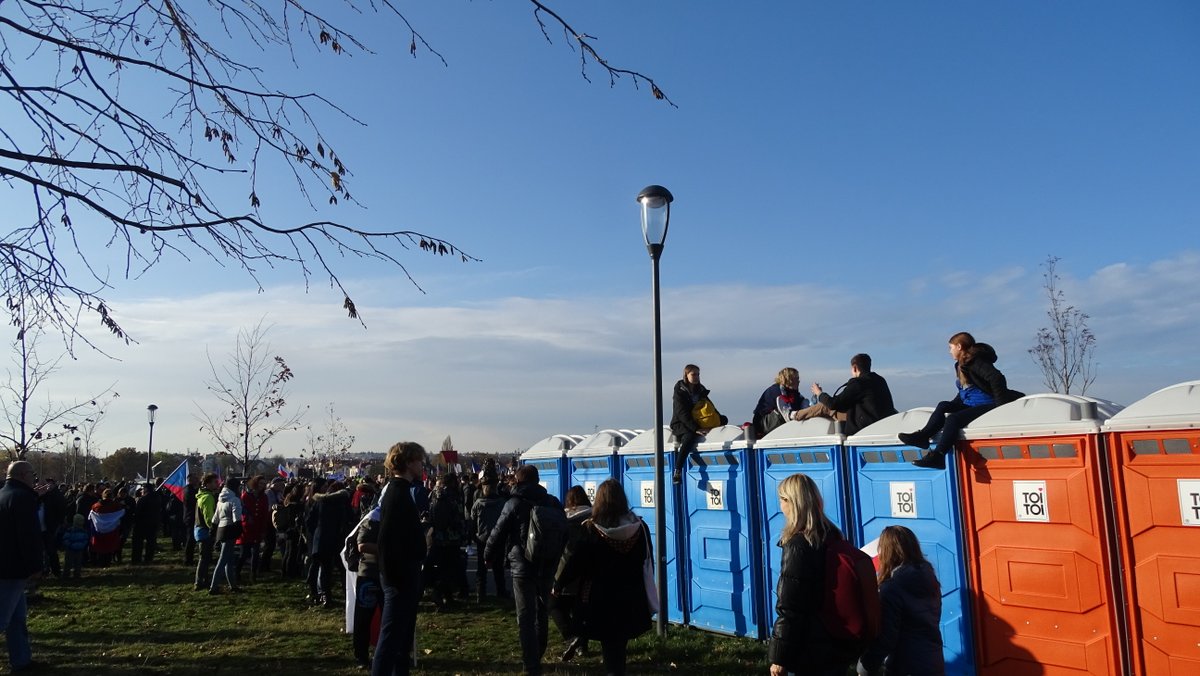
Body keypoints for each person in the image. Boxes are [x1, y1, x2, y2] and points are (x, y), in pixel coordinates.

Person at [553, 480, 651, 675]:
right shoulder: (640, 527)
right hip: (630, 594)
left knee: (609, 643)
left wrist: (559, 584)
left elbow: (575, 562)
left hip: (600, 597)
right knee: (619, 641)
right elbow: (646, 559)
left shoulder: (591, 529)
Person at [769, 473, 860, 676]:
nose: (781, 506)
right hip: (835, 636)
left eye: (782, 499)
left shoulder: (798, 545)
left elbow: (790, 606)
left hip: (809, 645)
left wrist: (779, 657)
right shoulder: (832, 534)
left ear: (792, 503)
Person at [903, 332, 1024, 470]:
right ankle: (923, 436)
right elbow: (965, 390)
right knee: (943, 405)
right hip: (970, 404)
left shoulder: (975, 361)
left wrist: (1001, 406)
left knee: (953, 419)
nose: (949, 351)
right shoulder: (960, 364)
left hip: (988, 404)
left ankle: (938, 456)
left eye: (951, 347)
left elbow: (996, 378)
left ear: (959, 347)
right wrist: (952, 404)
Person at [485, 464, 563, 676]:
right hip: (547, 563)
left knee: (525, 616)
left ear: (518, 481)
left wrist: (488, 555)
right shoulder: (552, 502)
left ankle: (531, 664)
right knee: (542, 611)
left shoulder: (514, 503)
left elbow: (498, 532)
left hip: (522, 564)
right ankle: (538, 653)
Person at [372, 441, 428, 676]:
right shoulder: (397, 493)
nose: (422, 464)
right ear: (407, 462)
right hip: (399, 577)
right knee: (390, 639)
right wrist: (394, 579)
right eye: (419, 460)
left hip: (404, 575)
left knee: (401, 640)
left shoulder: (401, 491)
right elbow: (386, 540)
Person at [858, 526, 945, 676]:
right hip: (934, 662)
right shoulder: (930, 580)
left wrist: (865, 667)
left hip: (906, 666)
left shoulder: (892, 589)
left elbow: (887, 638)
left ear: (887, 552)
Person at [0, 461, 46, 673]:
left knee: (17, 619)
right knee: (3, 619)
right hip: (13, 568)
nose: (34, 479)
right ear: (23, 475)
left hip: (6, 563)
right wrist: (36, 566)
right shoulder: (23, 498)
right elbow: (29, 537)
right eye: (32, 474)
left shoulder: (4, 494)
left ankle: (21, 661)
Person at [799, 353, 898, 436]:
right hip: (881, 423)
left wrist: (819, 393)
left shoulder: (858, 383)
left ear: (855, 368)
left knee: (824, 407)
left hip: (865, 425)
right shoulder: (880, 380)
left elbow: (833, 404)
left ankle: (795, 415)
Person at [550, 485, 593, 662]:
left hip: (565, 572)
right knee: (580, 610)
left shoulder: (563, 520)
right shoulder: (594, 519)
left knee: (555, 606)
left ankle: (572, 637)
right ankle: (582, 645)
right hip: (587, 574)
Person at [669, 364, 728, 485]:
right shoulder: (680, 391)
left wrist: (718, 419)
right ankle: (677, 471)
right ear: (686, 375)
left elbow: (710, 407)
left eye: (698, 374)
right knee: (689, 437)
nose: (696, 377)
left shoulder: (700, 390)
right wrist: (696, 429)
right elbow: (681, 413)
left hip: (699, 422)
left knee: (724, 420)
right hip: (682, 424)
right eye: (693, 374)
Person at [470, 480, 507, 601]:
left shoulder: (478, 503)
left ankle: (480, 593)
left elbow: (472, 521)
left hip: (482, 538)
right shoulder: (502, 502)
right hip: (497, 538)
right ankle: (501, 592)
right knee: (498, 568)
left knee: (481, 568)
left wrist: (474, 536)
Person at [209, 476, 244, 595]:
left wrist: (213, 531)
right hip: (230, 530)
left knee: (229, 560)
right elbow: (237, 518)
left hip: (220, 529)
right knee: (223, 559)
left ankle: (233, 585)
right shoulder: (234, 499)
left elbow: (215, 518)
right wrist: (239, 529)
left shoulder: (220, 499)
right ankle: (213, 587)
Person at [753, 367, 809, 438]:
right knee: (781, 402)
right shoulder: (776, 390)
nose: (799, 381)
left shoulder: (795, 394)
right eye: (797, 378)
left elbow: (799, 402)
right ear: (789, 379)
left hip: (778, 422)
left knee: (804, 402)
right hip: (763, 424)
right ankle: (789, 415)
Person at [193, 473, 218, 591]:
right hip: (205, 531)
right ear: (208, 484)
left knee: (205, 558)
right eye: (214, 482)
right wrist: (213, 529)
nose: (217, 484)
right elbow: (209, 517)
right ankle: (199, 582)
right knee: (204, 558)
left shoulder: (203, 495)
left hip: (200, 529)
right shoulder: (208, 497)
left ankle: (204, 580)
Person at [130, 481, 160, 564]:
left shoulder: (143, 499)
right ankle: (148, 558)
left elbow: (138, 512)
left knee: (138, 543)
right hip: (153, 523)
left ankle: (136, 559)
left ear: (146, 489)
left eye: (142, 489)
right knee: (150, 543)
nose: (141, 491)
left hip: (141, 524)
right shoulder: (157, 498)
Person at [60, 514, 89, 579]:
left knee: (73, 563)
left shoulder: (72, 530)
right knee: (73, 562)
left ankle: (71, 574)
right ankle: (71, 574)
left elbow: (65, 538)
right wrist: (81, 545)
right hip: (74, 549)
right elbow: (85, 540)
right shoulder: (81, 531)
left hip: (74, 549)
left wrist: (70, 544)